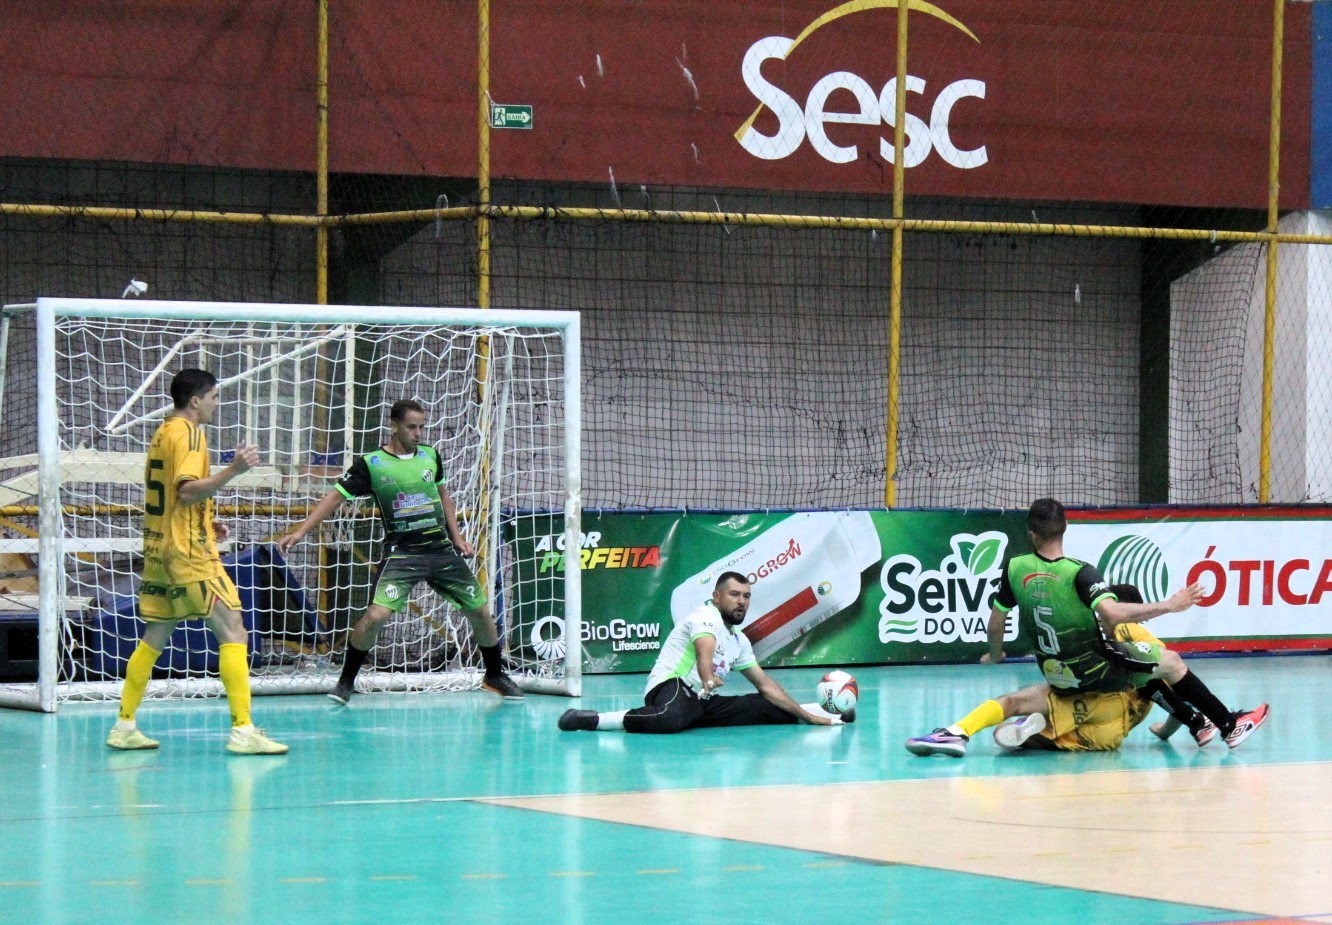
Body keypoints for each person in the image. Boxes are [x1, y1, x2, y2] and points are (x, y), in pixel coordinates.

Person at [906, 498, 1269, 757]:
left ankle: (955, 733)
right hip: (1097, 671)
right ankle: (1227, 726)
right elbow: (1111, 614)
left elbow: (997, 620)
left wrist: (997, 652)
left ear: (1031, 533)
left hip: (1058, 672)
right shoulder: (1080, 572)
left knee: (1013, 700)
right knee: (1169, 662)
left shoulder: (1015, 568)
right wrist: (1168, 605)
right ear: (1064, 529)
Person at [277, 399, 522, 704]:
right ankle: (346, 680)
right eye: (411, 427)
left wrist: (457, 537)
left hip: (440, 550)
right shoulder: (373, 464)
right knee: (377, 615)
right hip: (402, 554)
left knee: (480, 612)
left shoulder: (431, 456)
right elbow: (334, 498)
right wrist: (300, 531)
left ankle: (494, 674)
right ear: (394, 426)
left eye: (421, 426)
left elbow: (443, 496)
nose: (418, 433)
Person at [108, 368, 287, 755]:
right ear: (196, 400)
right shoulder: (190, 434)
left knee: (154, 637)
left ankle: (124, 724)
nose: (217, 404)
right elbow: (186, 491)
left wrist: (207, 518)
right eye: (215, 397)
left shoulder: (163, 432)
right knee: (235, 631)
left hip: (160, 550)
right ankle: (243, 731)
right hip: (189, 555)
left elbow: (175, 497)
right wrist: (233, 470)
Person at [558, 572, 846, 733]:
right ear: (717, 597)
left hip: (701, 701)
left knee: (768, 706)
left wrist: (811, 718)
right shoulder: (704, 616)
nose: (741, 602)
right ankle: (594, 720)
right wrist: (707, 676)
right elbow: (703, 649)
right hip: (672, 687)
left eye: (746, 596)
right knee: (670, 718)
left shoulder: (739, 641)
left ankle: (827, 711)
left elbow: (765, 685)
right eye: (734, 595)